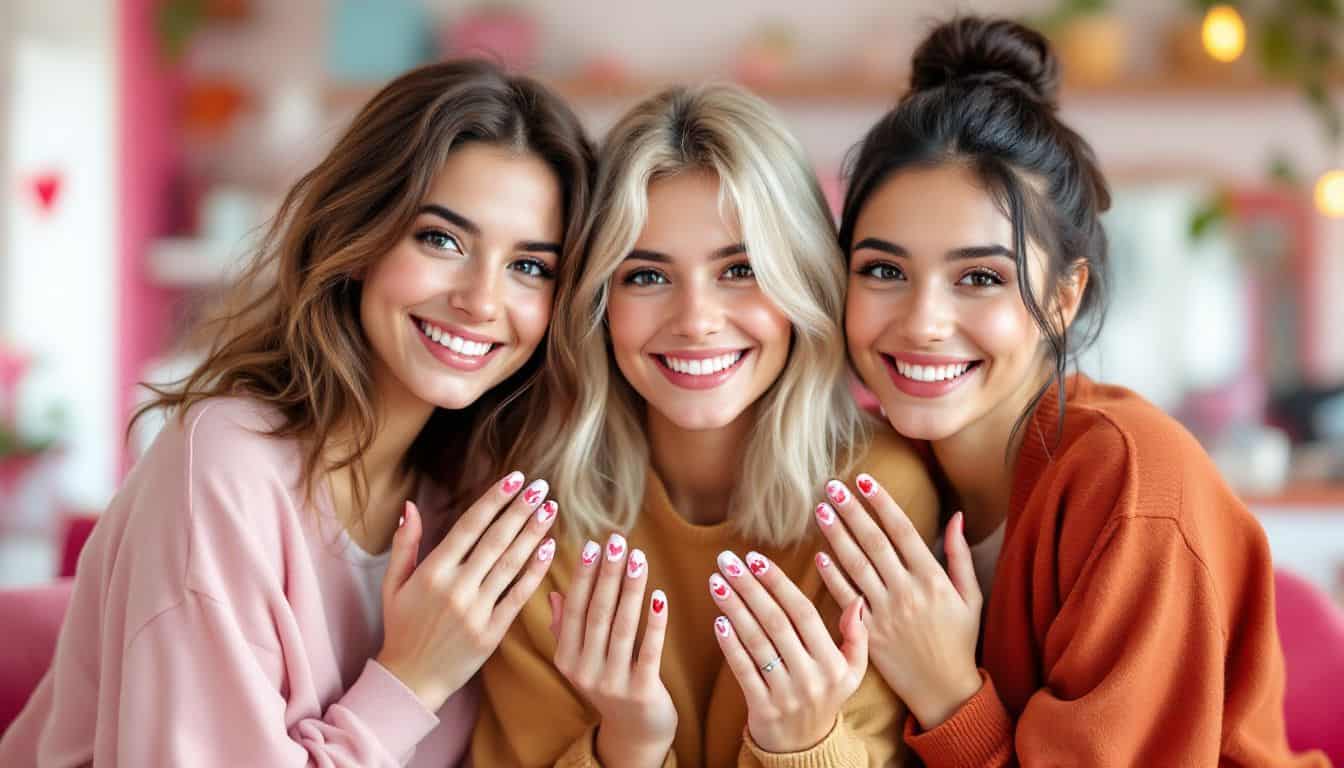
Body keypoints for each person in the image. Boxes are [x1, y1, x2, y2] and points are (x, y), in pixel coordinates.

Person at [0, 59, 595, 767]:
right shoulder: (225, 472)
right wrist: (413, 680)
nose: (482, 300)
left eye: (530, 266)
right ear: (359, 237)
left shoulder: (468, 502)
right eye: (441, 239)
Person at [819, 16, 1330, 767]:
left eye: (981, 278)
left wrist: (949, 694)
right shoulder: (884, 468)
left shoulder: (1132, 483)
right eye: (884, 270)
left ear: (1063, 297)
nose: (922, 322)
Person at [472, 83, 938, 767]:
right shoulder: (537, 518)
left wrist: (801, 744)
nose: (696, 319)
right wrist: (627, 745)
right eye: (646, 277)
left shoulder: (873, 500)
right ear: (597, 303)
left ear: (802, 280)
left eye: (740, 270)